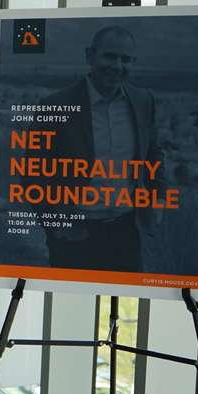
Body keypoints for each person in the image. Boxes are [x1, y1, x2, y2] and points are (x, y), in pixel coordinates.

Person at [40, 25, 161, 272]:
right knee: (68, 305)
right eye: (110, 56)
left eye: (126, 59)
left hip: (127, 232)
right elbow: (35, 172)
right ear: (90, 56)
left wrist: (156, 204)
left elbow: (154, 154)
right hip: (75, 235)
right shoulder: (55, 104)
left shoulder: (143, 101)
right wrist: (58, 226)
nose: (117, 65)